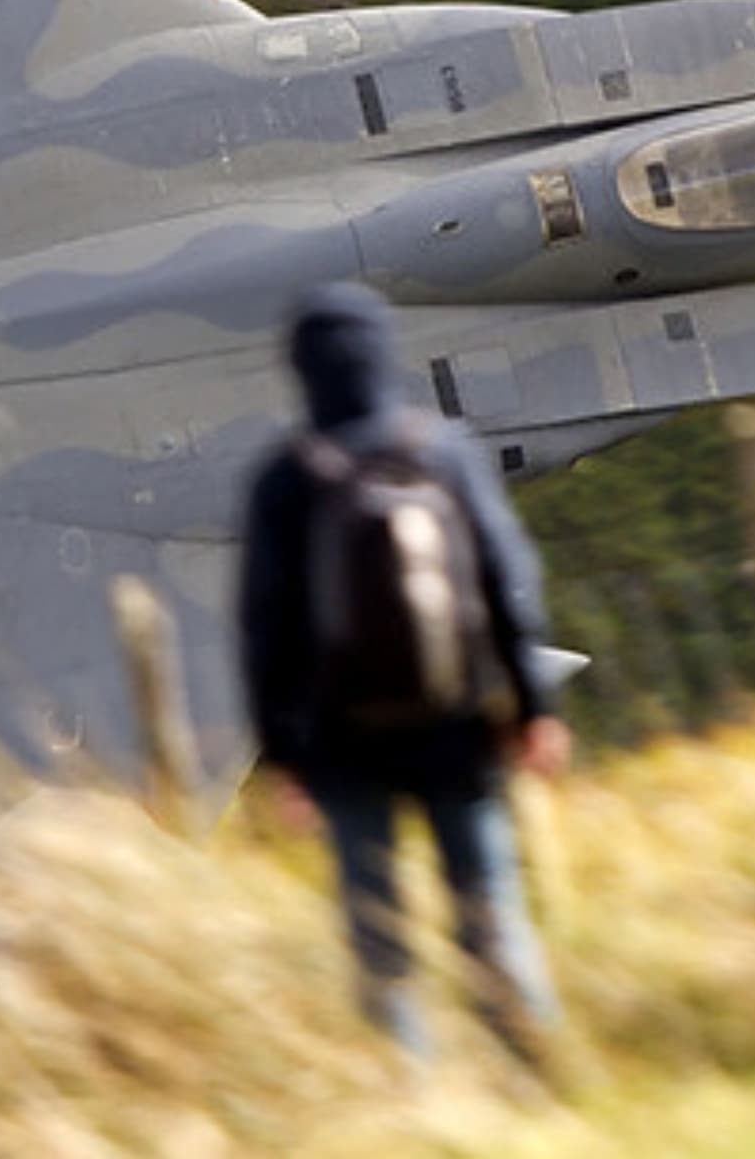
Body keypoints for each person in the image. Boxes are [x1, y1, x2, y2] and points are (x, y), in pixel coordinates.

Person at [238, 282, 571, 1067]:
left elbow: (266, 630)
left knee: (377, 931)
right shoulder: (440, 449)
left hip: (344, 748)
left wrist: (284, 759)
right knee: (490, 908)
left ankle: (408, 1091)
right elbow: (503, 578)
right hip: (456, 729)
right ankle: (537, 1068)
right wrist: (534, 708)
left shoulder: (286, 477)